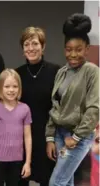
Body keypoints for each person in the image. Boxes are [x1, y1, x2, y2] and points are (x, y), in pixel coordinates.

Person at [45, 13, 99, 186]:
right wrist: (50, 137)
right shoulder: (62, 72)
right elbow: (55, 106)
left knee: (56, 182)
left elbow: (94, 109)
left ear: (87, 49)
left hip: (79, 137)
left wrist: (75, 138)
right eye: (69, 49)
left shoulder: (92, 71)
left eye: (78, 49)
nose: (73, 54)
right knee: (66, 182)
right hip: (60, 133)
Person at [15, 26, 60, 186]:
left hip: (47, 136)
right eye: (26, 44)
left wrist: (51, 139)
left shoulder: (57, 72)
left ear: (43, 46)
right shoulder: (17, 74)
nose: (31, 48)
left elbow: (60, 108)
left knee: (48, 179)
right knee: (20, 179)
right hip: (21, 137)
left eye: (35, 43)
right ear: (22, 49)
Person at [0, 69, 32, 186]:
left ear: (19, 88)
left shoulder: (25, 109)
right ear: (0, 88)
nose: (11, 90)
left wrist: (27, 163)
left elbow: (27, 137)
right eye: (7, 86)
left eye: (15, 86)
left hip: (17, 161)